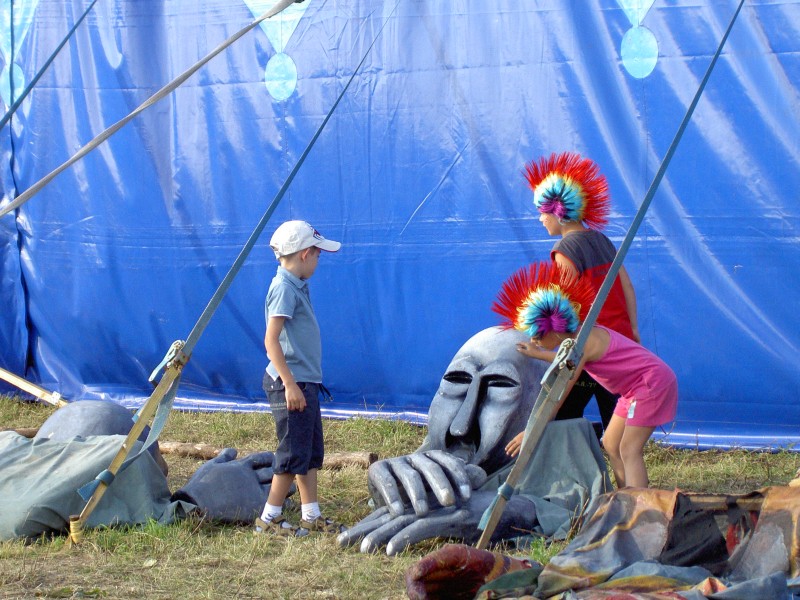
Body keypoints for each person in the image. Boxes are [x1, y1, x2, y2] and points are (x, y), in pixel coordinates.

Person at [494, 261, 677, 488]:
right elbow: (565, 358)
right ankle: (624, 496)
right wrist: (539, 353)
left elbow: (558, 394)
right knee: (611, 443)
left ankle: (640, 508)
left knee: (629, 449)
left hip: (650, 384)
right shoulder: (578, 339)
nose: (534, 340)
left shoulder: (583, 344)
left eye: (538, 337)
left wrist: (530, 433)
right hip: (633, 390)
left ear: (553, 330)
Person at [524, 151, 640, 431]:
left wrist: (544, 340)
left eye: (543, 212)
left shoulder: (564, 250)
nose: (540, 219)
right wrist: (633, 330)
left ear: (558, 213)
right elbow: (625, 284)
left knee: (559, 419)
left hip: (590, 346)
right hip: (620, 342)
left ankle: (571, 464)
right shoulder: (600, 239)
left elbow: (565, 305)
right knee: (618, 423)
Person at [254, 219, 345, 537]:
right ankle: (269, 519)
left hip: (305, 382)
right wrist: (290, 384)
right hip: (289, 384)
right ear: (306, 254)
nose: (319, 261)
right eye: (318, 255)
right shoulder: (283, 289)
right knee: (292, 452)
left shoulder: (295, 285)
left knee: (308, 451)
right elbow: (271, 340)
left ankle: (311, 514)